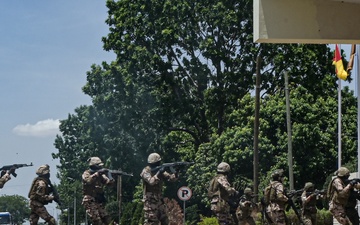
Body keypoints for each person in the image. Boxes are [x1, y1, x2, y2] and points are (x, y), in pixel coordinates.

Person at [140, 152, 178, 225]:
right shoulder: (146, 171)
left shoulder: (160, 171)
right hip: (150, 202)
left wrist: (176, 172)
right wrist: (159, 172)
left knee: (165, 220)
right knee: (151, 221)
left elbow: (171, 178)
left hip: (159, 200)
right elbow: (151, 181)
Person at [82, 156, 115, 225]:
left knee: (107, 219)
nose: (100, 167)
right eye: (98, 166)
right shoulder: (86, 173)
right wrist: (97, 173)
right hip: (89, 200)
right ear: (94, 166)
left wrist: (110, 177)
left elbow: (108, 183)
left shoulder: (101, 175)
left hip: (98, 201)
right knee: (97, 221)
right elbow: (88, 181)